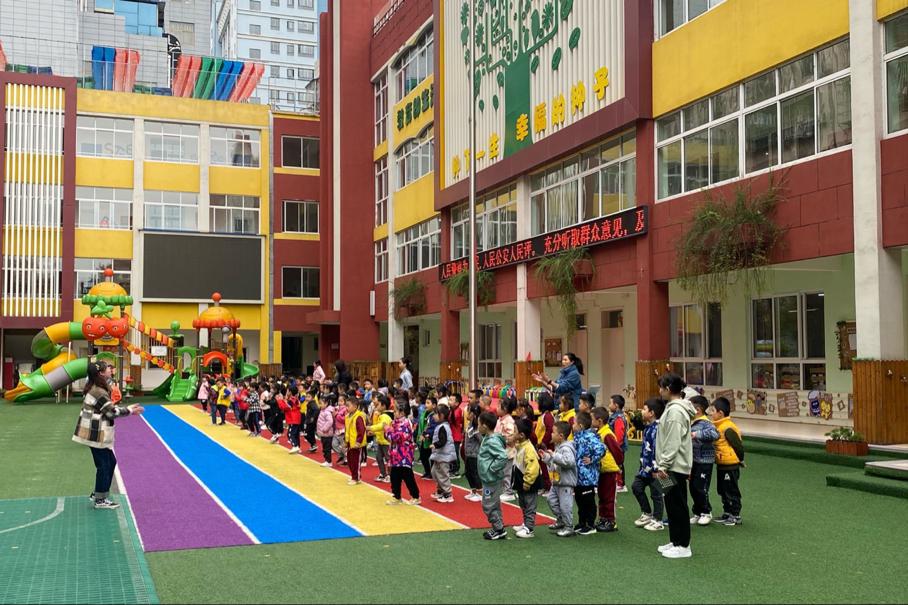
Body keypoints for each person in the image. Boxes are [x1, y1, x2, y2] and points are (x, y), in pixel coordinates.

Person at [72, 361, 144, 509]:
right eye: (108, 368)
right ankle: (100, 499)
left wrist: (126, 409)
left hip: (95, 431)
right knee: (104, 465)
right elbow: (111, 412)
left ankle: (99, 493)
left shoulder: (96, 387)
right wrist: (130, 410)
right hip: (95, 433)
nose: (111, 370)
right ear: (101, 373)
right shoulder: (98, 391)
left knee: (110, 462)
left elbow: (108, 408)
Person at [655, 373, 696, 559]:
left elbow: (673, 441)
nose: (660, 391)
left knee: (678, 504)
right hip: (670, 466)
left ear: (668, 389)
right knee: (671, 504)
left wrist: (663, 464)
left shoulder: (676, 411)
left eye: (661, 387)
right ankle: (675, 540)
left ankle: (683, 545)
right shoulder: (672, 408)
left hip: (674, 467)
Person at [633, 398, 666, 532]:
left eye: (644, 409)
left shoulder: (659, 429)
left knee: (657, 494)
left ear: (651, 413)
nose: (642, 411)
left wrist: (658, 468)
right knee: (636, 486)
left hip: (656, 469)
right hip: (645, 469)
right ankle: (647, 513)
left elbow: (660, 449)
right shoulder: (648, 427)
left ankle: (658, 520)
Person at [539, 421, 577, 537]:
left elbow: (569, 461)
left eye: (553, 432)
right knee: (551, 500)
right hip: (557, 482)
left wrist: (554, 456)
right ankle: (561, 520)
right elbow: (554, 465)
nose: (551, 434)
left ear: (561, 436)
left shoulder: (567, 448)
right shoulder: (558, 447)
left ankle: (569, 527)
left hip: (565, 483)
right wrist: (546, 457)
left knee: (565, 506)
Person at [711, 396, 745, 526]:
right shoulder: (718, 427)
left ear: (720, 413)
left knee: (731, 490)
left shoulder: (728, 428)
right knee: (722, 489)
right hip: (721, 464)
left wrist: (740, 459)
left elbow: (738, 446)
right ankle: (727, 512)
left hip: (730, 466)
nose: (711, 414)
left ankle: (735, 515)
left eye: (713, 411)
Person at [592, 406, 624, 533]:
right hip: (602, 469)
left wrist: (618, 465)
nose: (591, 421)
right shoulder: (599, 433)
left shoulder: (607, 434)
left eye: (592, 419)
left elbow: (617, 452)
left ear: (599, 421)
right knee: (602, 495)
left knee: (609, 496)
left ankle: (611, 521)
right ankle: (603, 518)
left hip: (609, 470)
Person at [689, 395, 719, 525]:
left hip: (704, 462)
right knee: (693, 487)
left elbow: (715, 434)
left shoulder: (706, 423)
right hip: (694, 461)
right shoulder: (692, 422)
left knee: (701, 487)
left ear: (697, 410)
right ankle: (697, 512)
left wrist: (697, 434)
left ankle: (706, 512)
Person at [572, 411, 605, 535]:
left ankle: (590, 524)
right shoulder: (577, 437)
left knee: (588, 501)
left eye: (574, 423)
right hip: (579, 476)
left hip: (588, 477)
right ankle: (582, 522)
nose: (572, 425)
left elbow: (602, 448)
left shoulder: (590, 437)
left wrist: (592, 459)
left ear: (580, 425)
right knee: (579, 500)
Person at [477, 411, 508, 540]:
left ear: (484, 426)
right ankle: (498, 527)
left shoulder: (492, 441)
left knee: (488, 504)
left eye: (479, 424)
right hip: (489, 478)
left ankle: (498, 529)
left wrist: (491, 468)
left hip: (492, 479)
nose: (478, 426)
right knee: (494, 504)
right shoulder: (487, 438)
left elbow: (503, 456)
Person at [385, 399, 421, 505]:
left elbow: (397, 437)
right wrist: (387, 431)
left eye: (395, 411)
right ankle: (397, 496)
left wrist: (387, 430)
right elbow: (389, 436)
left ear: (402, 412)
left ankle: (416, 496)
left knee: (407, 476)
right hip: (395, 454)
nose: (394, 413)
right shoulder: (394, 422)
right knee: (394, 476)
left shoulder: (405, 424)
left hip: (404, 454)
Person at [511, 418, 541, 539]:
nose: (512, 433)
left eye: (514, 431)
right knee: (523, 503)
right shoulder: (520, 446)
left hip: (529, 483)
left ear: (521, 435)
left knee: (529, 505)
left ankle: (529, 528)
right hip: (521, 481)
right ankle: (525, 524)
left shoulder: (528, 448)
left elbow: (533, 467)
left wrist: (528, 482)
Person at [429, 403, 456, 503]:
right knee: (434, 472)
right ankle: (440, 490)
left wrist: (435, 445)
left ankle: (448, 494)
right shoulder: (440, 426)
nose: (433, 416)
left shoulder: (443, 427)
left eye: (435, 414)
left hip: (444, 456)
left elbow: (443, 440)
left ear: (442, 415)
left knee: (443, 475)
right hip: (439, 455)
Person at [495, 397, 518, 502]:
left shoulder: (508, 421)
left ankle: (509, 492)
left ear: (504, 409)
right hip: (501, 451)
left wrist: (500, 439)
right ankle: (505, 490)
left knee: (507, 473)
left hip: (508, 452)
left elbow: (510, 436)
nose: (496, 408)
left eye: (498, 406)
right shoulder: (500, 419)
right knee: (503, 472)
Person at [367, 394, 393, 483]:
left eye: (378, 404)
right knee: (379, 457)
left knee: (388, 459)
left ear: (383, 406)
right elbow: (381, 429)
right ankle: (383, 474)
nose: (376, 406)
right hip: (381, 441)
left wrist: (370, 428)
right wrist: (374, 432)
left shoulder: (385, 416)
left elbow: (382, 426)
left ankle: (390, 475)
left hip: (386, 442)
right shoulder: (382, 415)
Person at [534, 392, 556, 492]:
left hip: (546, 447)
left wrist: (543, 442)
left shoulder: (547, 416)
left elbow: (550, 430)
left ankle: (549, 487)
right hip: (541, 447)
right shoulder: (544, 415)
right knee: (543, 467)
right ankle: (546, 486)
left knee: (547, 468)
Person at [608, 394, 629, 492]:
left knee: (618, 464)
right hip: (615, 446)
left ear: (616, 405)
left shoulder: (619, 418)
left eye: (610, 403)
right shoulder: (614, 416)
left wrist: (615, 447)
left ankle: (620, 484)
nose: (609, 405)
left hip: (617, 447)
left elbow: (619, 436)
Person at [344, 396, 367, 485]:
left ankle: (356, 478)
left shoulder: (359, 417)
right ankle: (354, 475)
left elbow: (361, 430)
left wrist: (358, 442)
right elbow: (347, 430)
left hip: (356, 444)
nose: (346, 408)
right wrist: (346, 441)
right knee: (350, 461)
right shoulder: (348, 417)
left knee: (356, 462)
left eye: (348, 406)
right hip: (350, 443)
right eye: (346, 405)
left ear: (355, 406)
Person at [463, 401, 483, 501]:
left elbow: (481, 440)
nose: (466, 413)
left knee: (475, 474)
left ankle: (480, 493)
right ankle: (473, 491)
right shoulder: (470, 424)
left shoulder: (477, 427)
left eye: (468, 411)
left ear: (473, 414)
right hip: (468, 454)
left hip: (474, 454)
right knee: (468, 473)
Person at [316, 393, 336, 467]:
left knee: (327, 448)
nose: (320, 405)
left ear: (326, 403)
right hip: (324, 434)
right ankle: (327, 460)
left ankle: (328, 461)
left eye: (321, 403)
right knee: (325, 448)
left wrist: (324, 429)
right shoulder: (323, 410)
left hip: (327, 434)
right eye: (319, 403)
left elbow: (330, 421)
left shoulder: (327, 412)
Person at [304, 389, 320, 453]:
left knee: (306, 434)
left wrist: (313, 417)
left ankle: (313, 444)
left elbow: (317, 410)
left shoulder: (312, 403)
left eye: (309, 397)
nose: (307, 398)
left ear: (312, 398)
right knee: (311, 434)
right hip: (309, 421)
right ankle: (313, 445)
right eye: (306, 397)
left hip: (311, 422)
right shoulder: (310, 403)